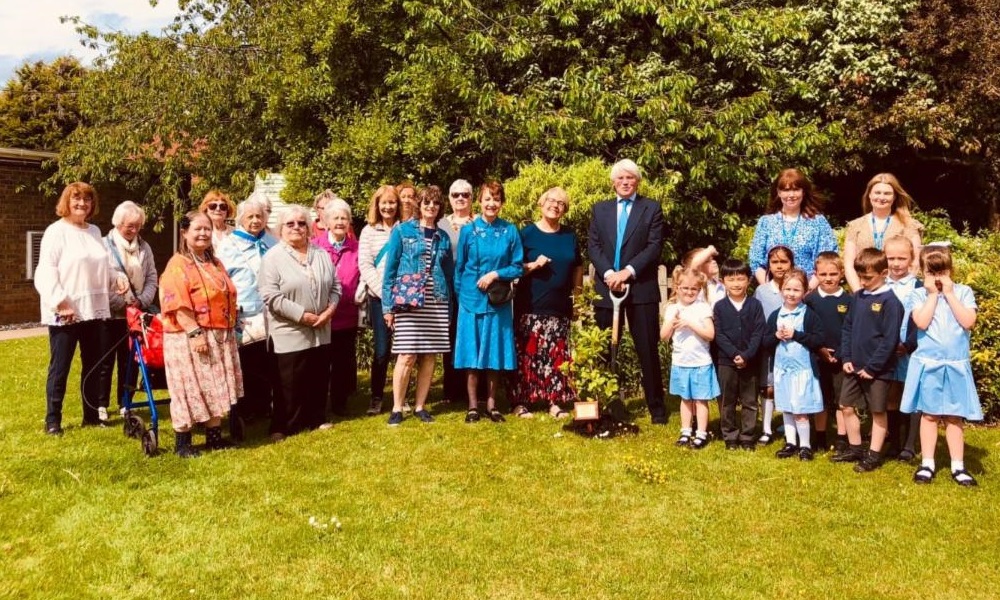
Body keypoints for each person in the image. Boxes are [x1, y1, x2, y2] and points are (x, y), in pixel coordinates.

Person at [34, 182, 120, 434]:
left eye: (87, 200)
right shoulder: (55, 232)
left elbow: (103, 266)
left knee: (92, 364)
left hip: (93, 309)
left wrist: (117, 278)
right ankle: (53, 421)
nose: (82, 204)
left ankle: (91, 416)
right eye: (76, 199)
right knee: (60, 367)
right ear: (67, 202)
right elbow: (45, 270)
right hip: (66, 311)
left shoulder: (94, 231)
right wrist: (60, 301)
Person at [587, 159, 667, 423]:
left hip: (640, 289)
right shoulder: (600, 210)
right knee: (605, 350)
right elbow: (594, 247)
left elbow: (654, 247)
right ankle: (603, 403)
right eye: (620, 178)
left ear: (637, 181)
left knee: (647, 349)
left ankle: (656, 407)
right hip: (607, 288)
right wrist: (610, 274)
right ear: (613, 182)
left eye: (630, 178)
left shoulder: (651, 209)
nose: (625, 182)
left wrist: (627, 272)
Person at [159, 211, 243, 457]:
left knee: (214, 386)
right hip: (188, 337)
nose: (204, 233)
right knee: (189, 387)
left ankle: (214, 439)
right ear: (184, 233)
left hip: (219, 334)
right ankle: (182, 443)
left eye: (207, 229)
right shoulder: (178, 265)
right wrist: (195, 333)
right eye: (198, 229)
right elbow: (177, 303)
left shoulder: (214, 262)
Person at [259, 205, 342, 440]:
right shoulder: (273, 257)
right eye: (290, 224)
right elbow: (270, 296)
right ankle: (283, 426)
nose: (297, 227)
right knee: (288, 384)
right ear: (281, 229)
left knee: (318, 376)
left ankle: (317, 418)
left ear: (309, 227)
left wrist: (330, 310)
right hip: (289, 330)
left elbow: (336, 286)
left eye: (301, 223)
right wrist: (301, 315)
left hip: (321, 329)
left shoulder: (321, 254)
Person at [902, 244, 982, 486]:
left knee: (954, 416)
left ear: (950, 270)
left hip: (956, 364)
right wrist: (934, 295)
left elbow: (968, 321)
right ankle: (927, 462)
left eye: (942, 272)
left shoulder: (964, 292)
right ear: (921, 272)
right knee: (930, 415)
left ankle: (958, 466)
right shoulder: (918, 295)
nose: (937, 278)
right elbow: (922, 323)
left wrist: (949, 294)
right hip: (929, 363)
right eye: (930, 273)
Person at [382, 186, 453, 425]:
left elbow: (449, 273)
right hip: (409, 300)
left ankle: (421, 406)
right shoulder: (402, 231)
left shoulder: (443, 236)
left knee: (430, 355)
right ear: (419, 205)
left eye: (435, 204)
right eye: (426, 203)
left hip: (436, 300)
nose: (431, 207)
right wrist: (387, 307)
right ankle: (397, 407)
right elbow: (390, 270)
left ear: (440, 207)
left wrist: (449, 308)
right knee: (406, 354)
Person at [454, 180, 524, 423]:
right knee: (471, 354)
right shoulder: (468, 231)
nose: (491, 203)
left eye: (496, 199)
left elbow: (517, 266)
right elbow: (459, 268)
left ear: (501, 203)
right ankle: (473, 406)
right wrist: (461, 296)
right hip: (470, 302)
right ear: (480, 202)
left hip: (498, 302)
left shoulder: (510, 231)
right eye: (487, 199)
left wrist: (496, 274)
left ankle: (492, 405)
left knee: (495, 353)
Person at [510, 187, 583, 418]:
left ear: (565, 209)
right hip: (530, 305)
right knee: (528, 354)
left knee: (557, 355)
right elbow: (514, 267)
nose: (555, 205)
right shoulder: (526, 234)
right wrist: (533, 266)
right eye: (551, 200)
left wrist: (578, 298)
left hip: (559, 306)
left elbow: (578, 268)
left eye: (561, 203)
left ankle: (554, 402)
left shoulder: (569, 236)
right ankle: (521, 402)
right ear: (541, 204)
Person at [832, 248, 904, 472]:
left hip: (878, 370)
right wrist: (846, 357)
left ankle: (873, 455)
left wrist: (873, 368)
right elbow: (848, 328)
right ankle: (856, 448)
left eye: (868, 278)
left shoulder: (891, 302)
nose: (862, 282)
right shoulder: (858, 297)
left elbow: (890, 340)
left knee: (877, 411)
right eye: (860, 277)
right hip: (853, 366)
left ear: (884, 273)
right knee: (845, 406)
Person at [216, 197, 278, 426]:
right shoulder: (229, 245)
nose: (255, 220)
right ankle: (246, 408)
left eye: (259, 216)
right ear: (241, 219)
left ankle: (265, 404)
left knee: (268, 360)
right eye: (250, 216)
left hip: (271, 313)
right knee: (246, 363)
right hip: (244, 313)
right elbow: (222, 279)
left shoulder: (272, 241)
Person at [100, 201, 159, 421]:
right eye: (129, 226)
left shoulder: (145, 247)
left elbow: (152, 276)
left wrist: (141, 301)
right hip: (110, 313)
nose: (133, 230)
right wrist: (121, 303)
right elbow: (100, 281)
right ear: (117, 224)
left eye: (137, 226)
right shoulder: (104, 245)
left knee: (132, 359)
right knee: (106, 360)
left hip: (136, 313)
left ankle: (126, 402)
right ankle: (101, 405)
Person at [763, 268, 825, 461]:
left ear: (805, 292)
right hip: (783, 370)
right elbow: (765, 342)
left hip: (802, 371)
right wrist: (776, 336)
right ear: (781, 290)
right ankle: (791, 442)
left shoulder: (809, 315)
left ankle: (805, 445)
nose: (791, 293)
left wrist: (796, 335)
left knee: (800, 411)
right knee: (787, 409)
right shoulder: (775, 315)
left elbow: (818, 339)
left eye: (796, 290)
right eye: (787, 289)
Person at [748, 168, 838, 289]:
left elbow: (827, 260)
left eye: (796, 189)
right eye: (786, 190)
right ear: (778, 192)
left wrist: (806, 290)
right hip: (773, 292)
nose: (791, 195)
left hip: (808, 293)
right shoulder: (766, 222)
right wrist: (770, 290)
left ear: (803, 192)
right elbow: (756, 261)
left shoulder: (818, 222)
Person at [661, 266, 718, 448]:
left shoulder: (702, 308)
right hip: (680, 362)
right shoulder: (672, 308)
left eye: (694, 289)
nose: (689, 292)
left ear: (699, 290)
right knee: (685, 399)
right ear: (677, 287)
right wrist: (673, 321)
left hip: (701, 362)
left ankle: (701, 433)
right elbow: (663, 336)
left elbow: (710, 334)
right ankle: (685, 431)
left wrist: (690, 324)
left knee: (701, 400)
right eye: (685, 288)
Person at [712, 258, 766, 450]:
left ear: (748, 280)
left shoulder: (755, 305)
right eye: (731, 279)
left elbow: (759, 332)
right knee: (727, 401)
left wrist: (746, 355)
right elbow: (719, 334)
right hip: (726, 362)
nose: (736, 283)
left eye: (740, 279)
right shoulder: (719, 307)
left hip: (750, 361)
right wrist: (735, 354)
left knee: (750, 401)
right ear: (722, 281)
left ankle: (747, 437)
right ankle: (730, 436)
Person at [313, 197, 360, 418]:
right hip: (320, 316)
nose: (340, 222)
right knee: (321, 363)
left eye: (344, 218)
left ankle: (340, 403)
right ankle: (318, 404)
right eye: (336, 218)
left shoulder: (356, 248)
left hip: (346, 315)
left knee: (343, 362)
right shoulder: (315, 247)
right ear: (327, 221)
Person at [803, 251, 853, 453]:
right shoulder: (810, 300)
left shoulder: (849, 300)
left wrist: (840, 353)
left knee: (842, 400)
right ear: (816, 274)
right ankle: (820, 437)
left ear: (841, 273)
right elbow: (807, 329)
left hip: (842, 358)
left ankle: (842, 438)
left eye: (833, 274)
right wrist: (820, 349)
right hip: (816, 356)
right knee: (820, 399)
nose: (828, 279)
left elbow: (851, 329)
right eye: (823, 274)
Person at [357, 184, 400, 415]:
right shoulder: (368, 231)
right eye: (384, 202)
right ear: (377, 204)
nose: (388, 206)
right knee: (382, 350)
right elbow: (365, 265)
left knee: (404, 350)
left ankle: (400, 396)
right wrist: (385, 295)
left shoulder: (405, 228)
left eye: (392, 202)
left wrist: (399, 293)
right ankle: (376, 397)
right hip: (379, 299)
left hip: (404, 299)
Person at [843, 173, 923, 292]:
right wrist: (859, 292)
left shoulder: (908, 225)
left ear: (894, 196)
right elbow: (848, 264)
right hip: (864, 290)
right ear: (869, 194)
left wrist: (900, 290)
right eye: (877, 192)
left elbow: (916, 260)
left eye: (887, 193)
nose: (881, 197)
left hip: (899, 292)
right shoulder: (855, 226)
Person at [883, 234, 923, 460]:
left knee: (912, 394)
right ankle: (894, 442)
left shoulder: (919, 287)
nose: (896, 263)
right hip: (887, 353)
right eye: (891, 258)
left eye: (901, 258)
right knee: (891, 395)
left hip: (911, 351)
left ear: (911, 259)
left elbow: (923, 321)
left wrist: (908, 344)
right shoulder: (880, 286)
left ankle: (910, 444)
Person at [438, 179, 477, 404]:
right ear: (449, 199)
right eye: (455, 195)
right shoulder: (440, 224)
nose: (460, 198)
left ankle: (475, 390)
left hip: (473, 289)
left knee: (473, 336)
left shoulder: (480, 223)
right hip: (448, 290)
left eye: (465, 194)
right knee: (450, 337)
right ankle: (451, 391)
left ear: (472, 198)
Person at [753, 244, 794, 445]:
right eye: (774, 262)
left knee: (789, 387)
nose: (779, 266)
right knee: (768, 387)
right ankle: (766, 429)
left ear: (791, 264)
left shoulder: (797, 288)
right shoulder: (762, 291)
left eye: (784, 262)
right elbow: (756, 318)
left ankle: (790, 428)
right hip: (768, 346)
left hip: (792, 347)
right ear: (768, 264)